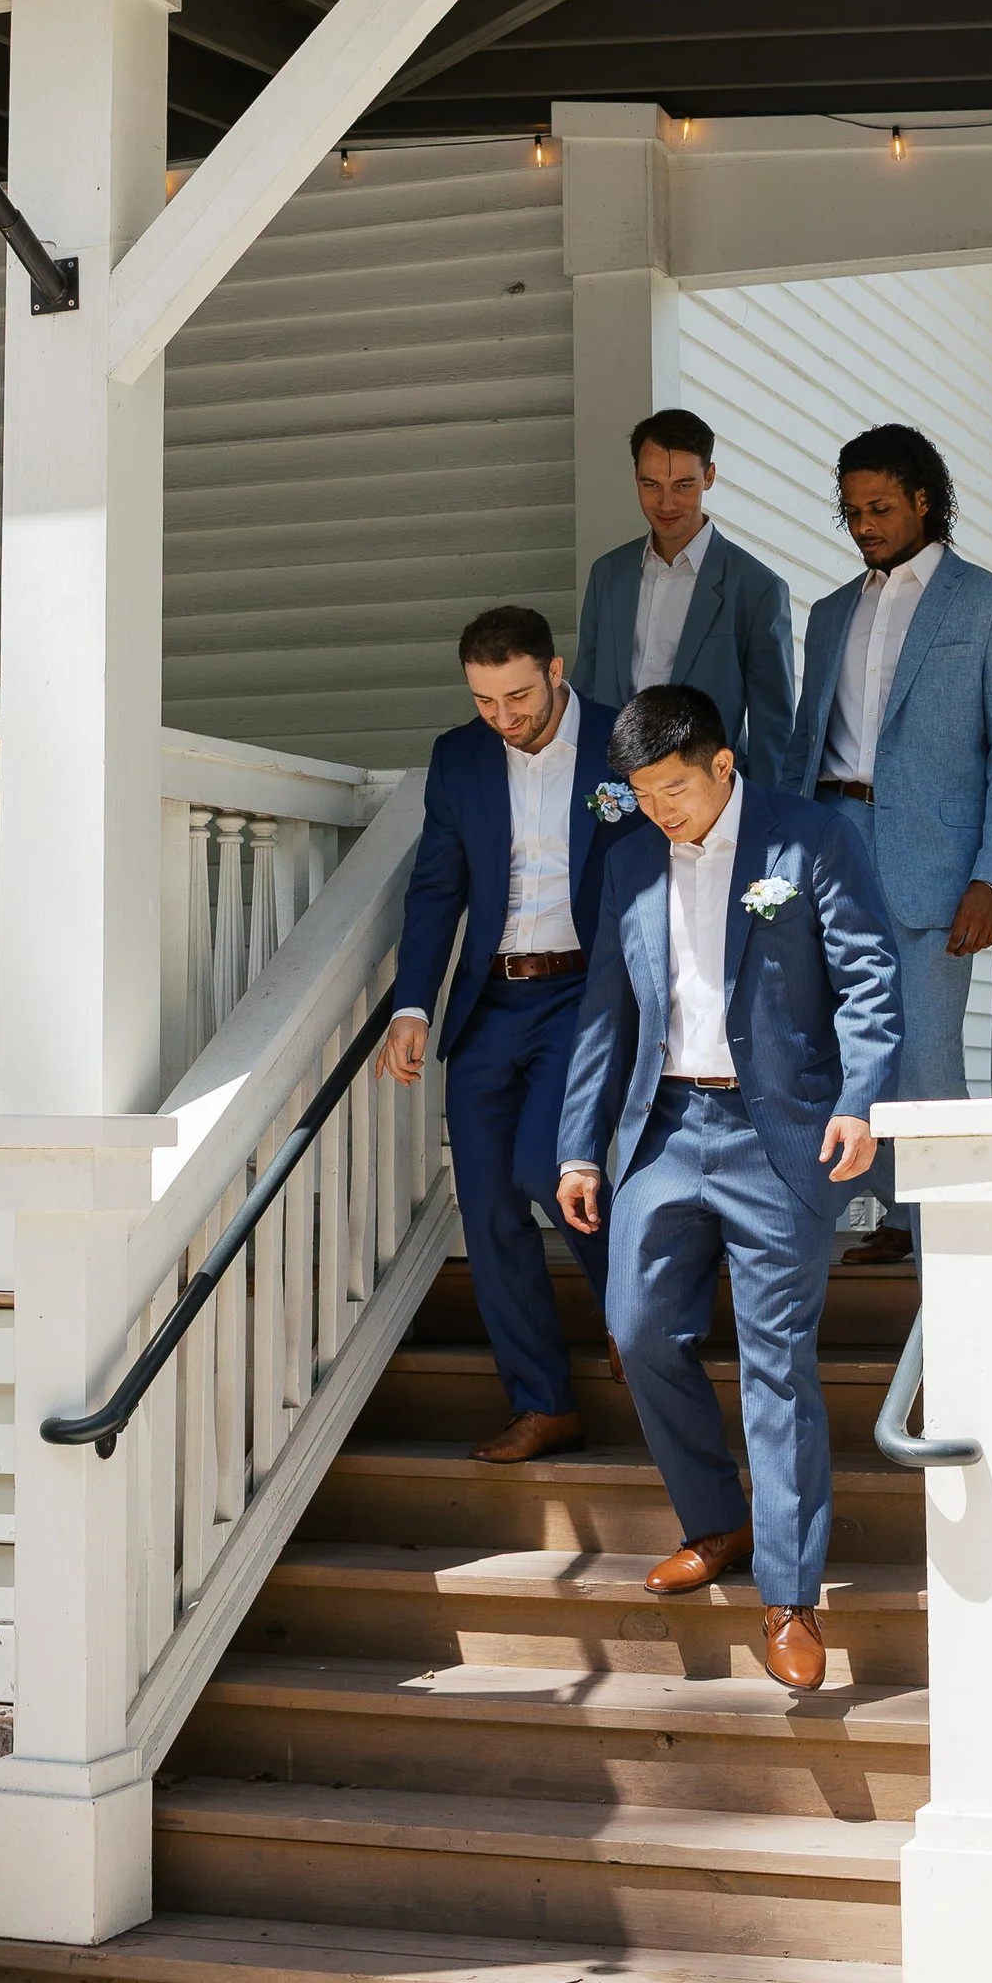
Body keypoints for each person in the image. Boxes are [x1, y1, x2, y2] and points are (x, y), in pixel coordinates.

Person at [557, 682, 901, 1696]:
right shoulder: (624, 859)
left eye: (673, 788)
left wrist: (859, 1099)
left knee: (775, 1359)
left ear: (721, 765)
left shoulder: (811, 840)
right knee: (637, 1326)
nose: (659, 809)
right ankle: (716, 1519)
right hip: (661, 1129)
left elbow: (872, 979)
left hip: (777, 1133)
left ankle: (790, 1595)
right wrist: (581, 1148)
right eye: (640, 793)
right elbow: (602, 1015)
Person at [780, 422, 992, 1259]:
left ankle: (952, 1235)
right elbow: (802, 744)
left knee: (927, 1055)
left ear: (925, 501)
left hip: (934, 865)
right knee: (826, 1040)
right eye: (853, 510)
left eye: (882, 506)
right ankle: (892, 1220)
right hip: (827, 842)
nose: (864, 523)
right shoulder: (828, 615)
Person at [378, 604, 621, 1462]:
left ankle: (635, 1318)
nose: (504, 718)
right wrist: (413, 1004)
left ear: (556, 672)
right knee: (484, 1203)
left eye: (517, 696)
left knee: (545, 1167)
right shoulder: (460, 757)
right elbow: (437, 889)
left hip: (584, 993)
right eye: (485, 701)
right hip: (490, 1001)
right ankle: (543, 1400)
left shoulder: (619, 743)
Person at [572, 408, 794, 781]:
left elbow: (772, 729)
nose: (666, 504)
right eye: (651, 485)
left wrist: (765, 817)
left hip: (705, 796)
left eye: (683, 485)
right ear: (635, 479)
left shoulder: (757, 588)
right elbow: (586, 689)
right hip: (610, 790)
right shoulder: (607, 575)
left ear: (709, 477)